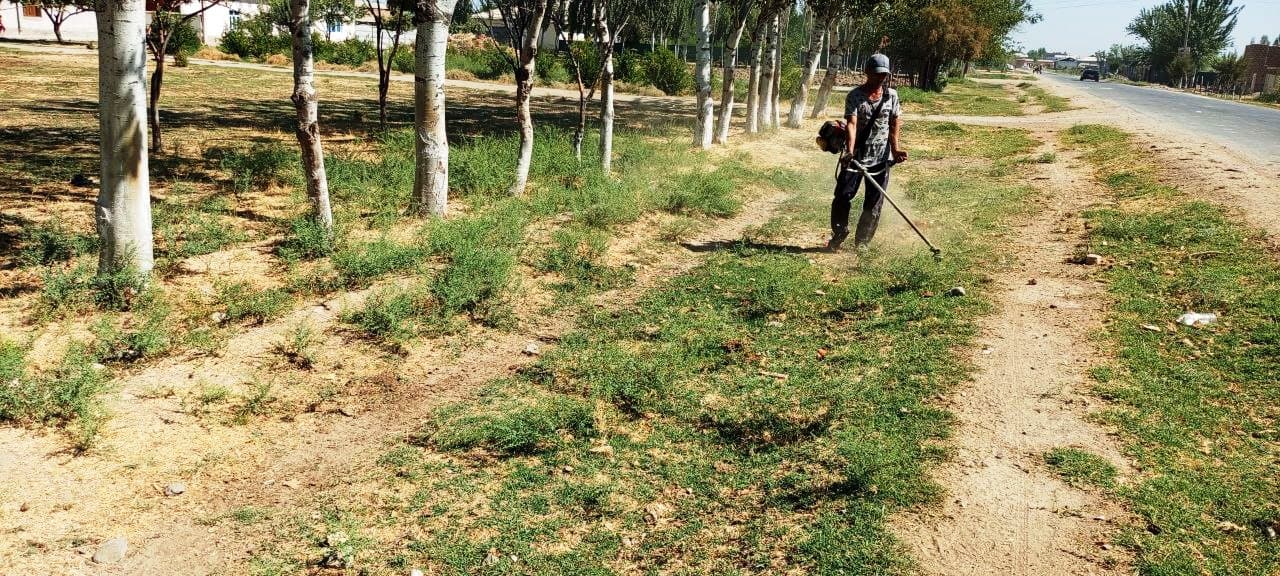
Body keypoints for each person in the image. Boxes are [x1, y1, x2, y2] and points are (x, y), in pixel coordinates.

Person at [828, 53, 908, 252]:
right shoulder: (855, 96)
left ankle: (862, 242)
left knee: (873, 203)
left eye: (883, 75)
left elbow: (895, 122)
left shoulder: (892, 96)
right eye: (875, 74)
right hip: (855, 157)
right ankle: (839, 233)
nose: (879, 78)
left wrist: (896, 149)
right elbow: (852, 125)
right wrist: (849, 151)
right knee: (843, 196)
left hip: (882, 158)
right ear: (867, 72)